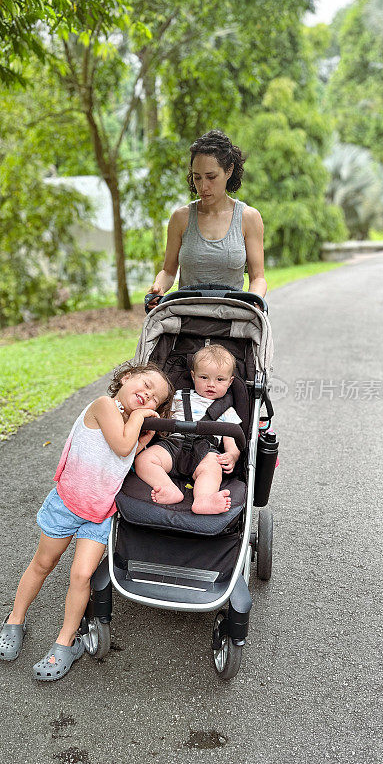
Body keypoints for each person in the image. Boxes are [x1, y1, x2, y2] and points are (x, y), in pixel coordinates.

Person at [0, 361, 174, 681]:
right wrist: (138, 421)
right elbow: (120, 444)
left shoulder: (131, 426)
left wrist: (144, 440)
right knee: (43, 563)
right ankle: (15, 618)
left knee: (81, 575)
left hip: (100, 512)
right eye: (144, 384)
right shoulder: (103, 406)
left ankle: (65, 642)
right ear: (127, 378)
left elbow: (124, 456)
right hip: (66, 504)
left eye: (155, 398)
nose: (147, 395)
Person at [148, 129, 267, 303]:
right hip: (187, 317)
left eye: (211, 177)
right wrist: (157, 288)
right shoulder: (180, 218)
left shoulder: (248, 218)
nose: (203, 187)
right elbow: (168, 272)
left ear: (229, 171)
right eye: (197, 178)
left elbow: (258, 278)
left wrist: (254, 302)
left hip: (231, 317)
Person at [134, 344, 242, 515]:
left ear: (230, 382)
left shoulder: (227, 410)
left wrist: (232, 455)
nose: (211, 384)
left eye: (220, 380)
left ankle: (203, 499)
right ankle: (168, 488)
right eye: (204, 377)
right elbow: (161, 415)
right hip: (173, 444)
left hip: (205, 451)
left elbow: (231, 437)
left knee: (212, 469)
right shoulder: (178, 397)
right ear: (193, 376)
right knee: (144, 460)